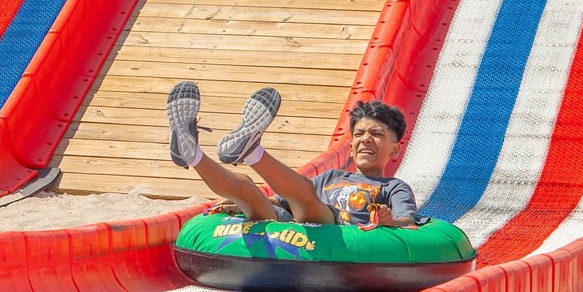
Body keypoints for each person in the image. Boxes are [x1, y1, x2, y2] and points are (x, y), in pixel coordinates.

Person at [166, 82, 418, 229]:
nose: (365, 139)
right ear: (351, 144)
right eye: (359, 133)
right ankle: (193, 154)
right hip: (294, 229)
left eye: (376, 134)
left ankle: (252, 150)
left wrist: (389, 221)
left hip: (338, 232)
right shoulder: (331, 176)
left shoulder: (393, 187)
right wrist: (241, 204)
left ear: (395, 149)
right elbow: (282, 200)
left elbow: (408, 221)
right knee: (247, 187)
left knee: (308, 197)